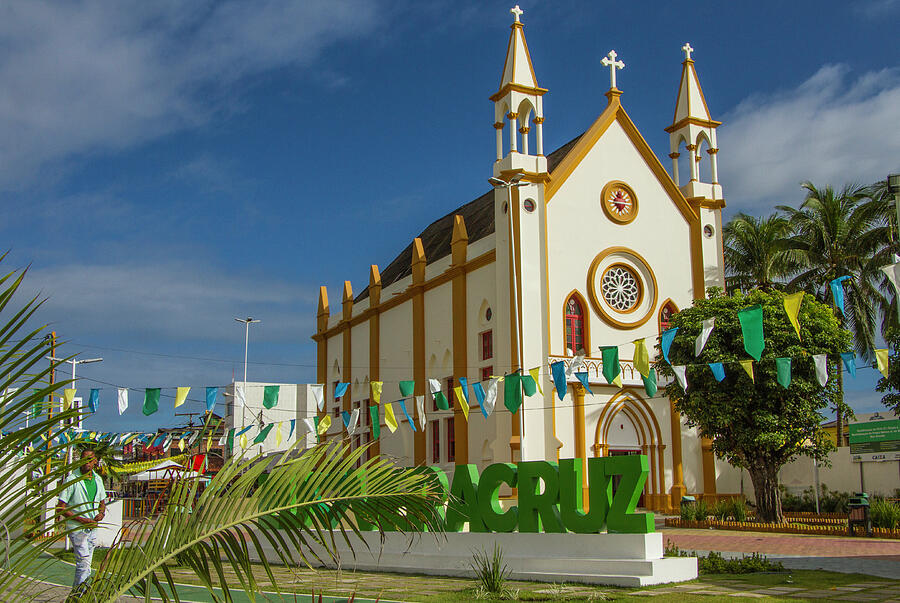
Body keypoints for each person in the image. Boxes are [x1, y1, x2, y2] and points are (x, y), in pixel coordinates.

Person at [57, 448, 107, 590]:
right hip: (77, 528)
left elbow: (102, 502)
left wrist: (101, 514)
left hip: (92, 528)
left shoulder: (97, 479)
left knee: (86, 565)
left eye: (90, 460)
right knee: (83, 563)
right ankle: (78, 596)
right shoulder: (72, 480)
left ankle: (77, 594)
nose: (87, 463)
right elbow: (60, 508)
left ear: (95, 461)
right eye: (84, 459)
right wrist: (82, 520)